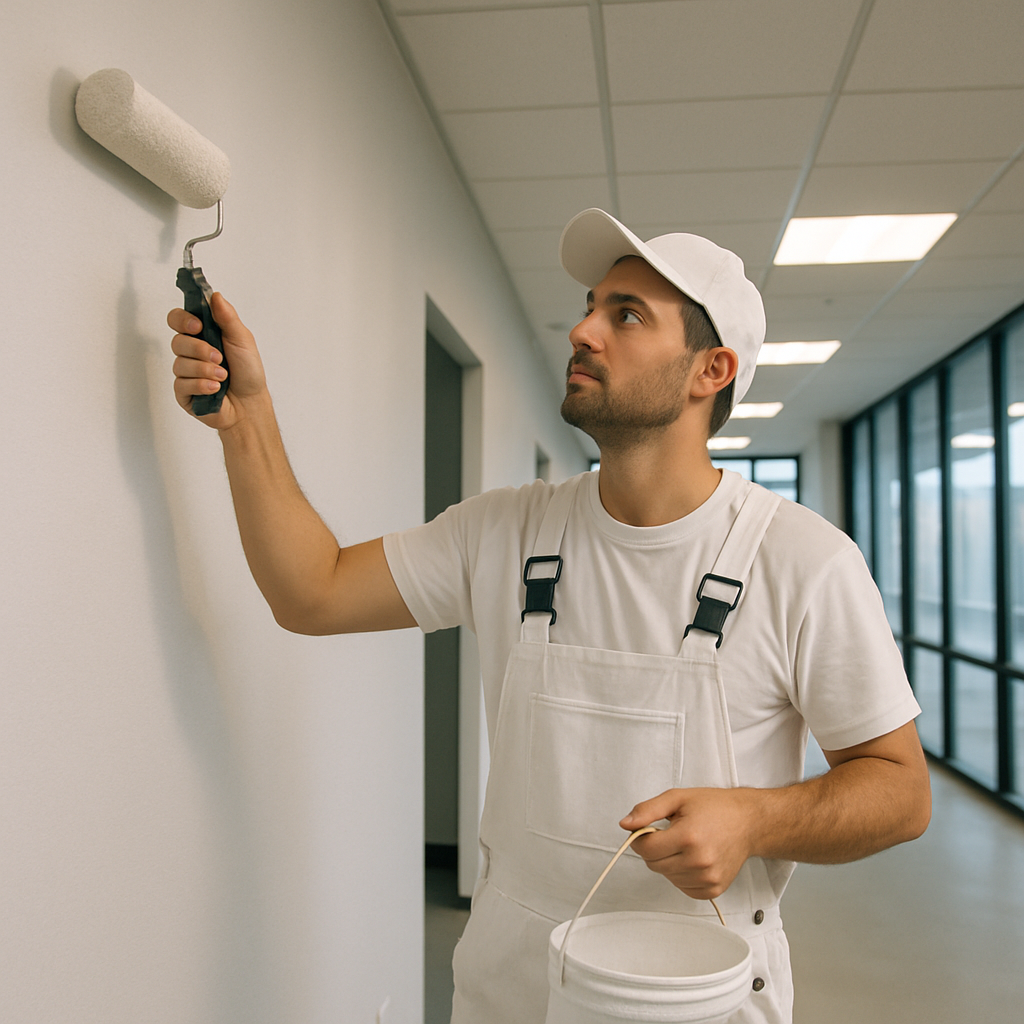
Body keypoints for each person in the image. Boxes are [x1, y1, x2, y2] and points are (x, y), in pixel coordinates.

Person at [168, 208, 931, 1024]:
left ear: (711, 370)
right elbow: (311, 592)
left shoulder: (804, 562)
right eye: (592, 305)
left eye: (625, 315)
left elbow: (901, 791)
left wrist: (756, 817)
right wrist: (246, 421)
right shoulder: (503, 530)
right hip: (511, 993)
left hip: (696, 1001)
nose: (583, 329)